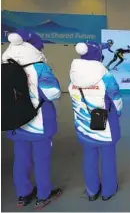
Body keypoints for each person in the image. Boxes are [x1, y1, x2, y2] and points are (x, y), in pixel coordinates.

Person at [1, 29, 62, 209]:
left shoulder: (4, 66)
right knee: (41, 160)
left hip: (15, 122)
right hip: (38, 123)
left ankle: (23, 194)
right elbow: (53, 93)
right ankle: (43, 195)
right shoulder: (40, 68)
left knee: (20, 159)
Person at [69, 41, 123, 201]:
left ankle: (92, 191)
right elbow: (117, 103)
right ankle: (108, 190)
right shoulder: (106, 76)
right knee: (108, 158)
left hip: (83, 125)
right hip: (105, 126)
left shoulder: (73, 76)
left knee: (89, 157)